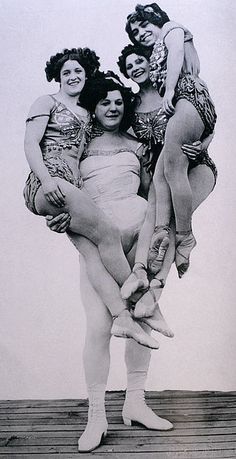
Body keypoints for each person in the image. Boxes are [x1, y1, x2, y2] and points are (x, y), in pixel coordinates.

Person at [47, 73, 174, 453]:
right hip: (102, 241)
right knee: (100, 325)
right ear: (94, 106)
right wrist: (58, 217)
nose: (113, 107)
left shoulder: (138, 145)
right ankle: (96, 415)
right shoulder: (79, 145)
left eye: (119, 101)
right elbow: (63, 192)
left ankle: (135, 402)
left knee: (139, 317)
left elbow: (154, 194)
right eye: (105, 102)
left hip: (137, 236)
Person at [23, 48, 158, 348]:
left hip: (71, 190)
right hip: (50, 181)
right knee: (107, 232)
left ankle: (122, 315)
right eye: (66, 72)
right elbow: (31, 143)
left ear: (87, 77)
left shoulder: (88, 116)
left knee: (94, 252)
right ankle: (146, 300)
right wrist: (45, 182)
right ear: (57, 76)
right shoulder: (47, 102)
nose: (72, 77)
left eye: (79, 72)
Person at [117, 43, 217, 316]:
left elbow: (208, 122)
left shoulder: (170, 92)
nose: (136, 68)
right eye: (130, 67)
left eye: (140, 61)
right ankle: (138, 272)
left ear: (151, 63)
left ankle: (155, 290)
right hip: (159, 172)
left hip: (195, 166)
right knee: (153, 214)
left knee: (171, 223)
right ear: (127, 74)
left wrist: (204, 144)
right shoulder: (130, 106)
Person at [125, 3, 217, 277]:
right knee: (160, 176)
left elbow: (177, 54)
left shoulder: (171, 28)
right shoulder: (156, 51)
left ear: (155, 19)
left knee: (173, 171)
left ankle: (185, 236)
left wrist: (170, 92)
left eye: (143, 25)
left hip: (187, 95)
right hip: (188, 101)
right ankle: (161, 234)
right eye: (135, 32)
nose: (140, 33)